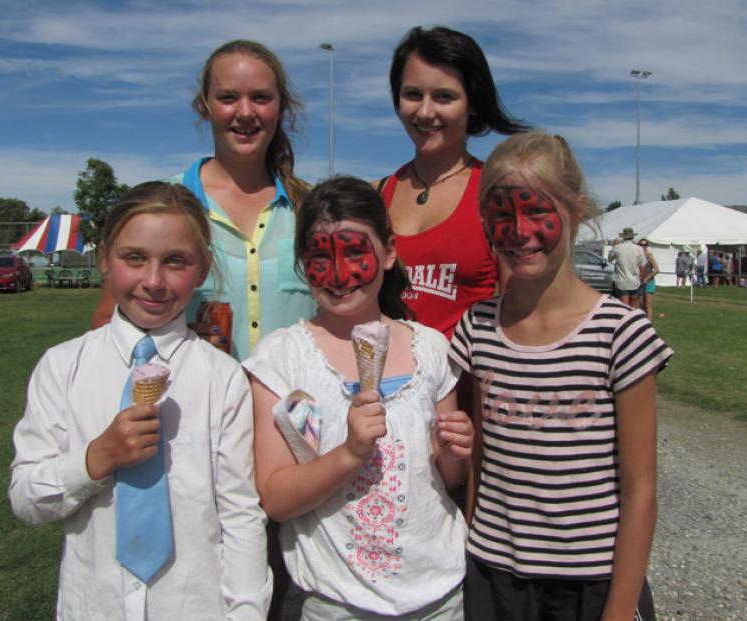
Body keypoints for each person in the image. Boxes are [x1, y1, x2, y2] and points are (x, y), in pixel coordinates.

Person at [9, 182, 271, 619]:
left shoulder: (222, 379)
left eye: (175, 262)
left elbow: (240, 515)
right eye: (134, 258)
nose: (153, 281)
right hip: (93, 605)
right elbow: (25, 500)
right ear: (105, 262)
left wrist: (246, 612)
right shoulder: (62, 367)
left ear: (202, 270)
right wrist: (95, 458)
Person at [451, 131, 672, 621]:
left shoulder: (621, 333)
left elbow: (641, 491)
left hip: (590, 586)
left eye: (536, 211)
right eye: (501, 216)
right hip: (495, 577)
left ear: (576, 211)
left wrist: (617, 611)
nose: (519, 230)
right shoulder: (478, 328)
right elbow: (479, 468)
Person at [245, 176, 473, 620]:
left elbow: (448, 479)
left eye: (355, 252)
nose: (339, 274)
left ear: (388, 252)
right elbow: (275, 497)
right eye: (319, 257)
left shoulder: (430, 348)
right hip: (337, 604)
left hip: (441, 596)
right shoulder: (282, 358)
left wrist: (454, 451)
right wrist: (349, 454)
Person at [91, 40, 316, 362]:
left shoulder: (309, 208)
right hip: (196, 408)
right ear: (204, 106)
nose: (245, 112)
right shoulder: (163, 208)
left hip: (293, 409)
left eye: (261, 98)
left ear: (280, 108)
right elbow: (105, 324)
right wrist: (176, 345)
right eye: (228, 98)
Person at [376, 25, 529, 339]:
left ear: (472, 104)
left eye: (444, 97)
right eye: (412, 94)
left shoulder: (496, 195)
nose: (425, 111)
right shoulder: (375, 195)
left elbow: (523, 314)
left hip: (466, 385)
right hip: (383, 386)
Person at [608, 226, 647, 306]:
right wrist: (641, 279)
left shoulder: (618, 248)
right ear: (632, 237)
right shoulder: (639, 249)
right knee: (634, 304)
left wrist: (614, 246)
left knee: (624, 305)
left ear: (623, 237)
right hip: (635, 280)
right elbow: (643, 266)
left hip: (621, 280)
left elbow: (610, 259)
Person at [640, 239, 660, 320]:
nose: (643, 247)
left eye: (645, 245)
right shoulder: (638, 256)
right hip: (640, 282)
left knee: (648, 304)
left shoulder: (649, 256)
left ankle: (649, 322)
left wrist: (647, 278)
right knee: (641, 303)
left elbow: (657, 269)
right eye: (641, 245)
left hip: (649, 282)